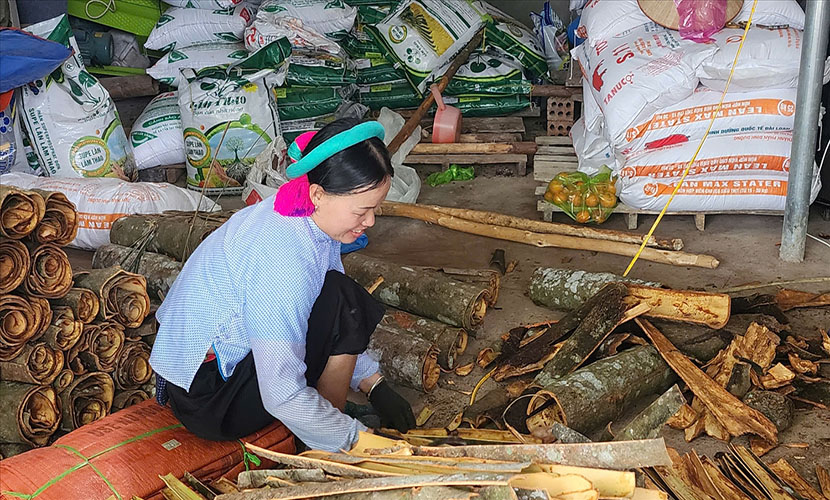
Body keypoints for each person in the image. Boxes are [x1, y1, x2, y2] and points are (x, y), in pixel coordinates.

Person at [149, 118, 416, 452]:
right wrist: (354, 438)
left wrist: (372, 383)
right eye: (362, 210)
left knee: (336, 294)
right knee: (344, 302)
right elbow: (280, 393)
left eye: (376, 208)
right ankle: (322, 444)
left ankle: (327, 420)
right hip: (210, 399)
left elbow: (323, 297)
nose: (371, 221)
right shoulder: (284, 257)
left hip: (205, 378)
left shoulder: (301, 209)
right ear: (319, 194)